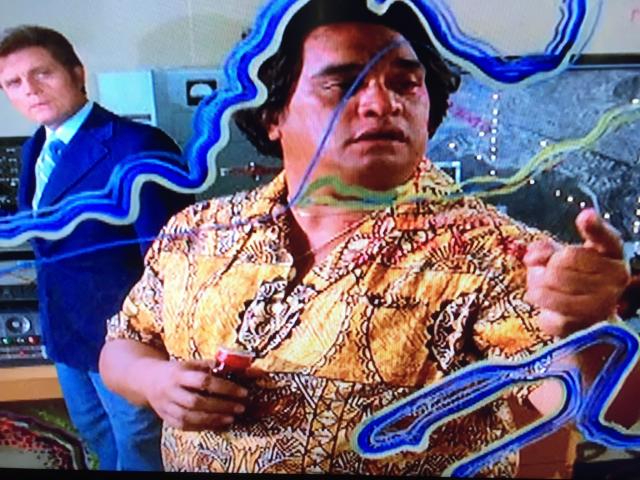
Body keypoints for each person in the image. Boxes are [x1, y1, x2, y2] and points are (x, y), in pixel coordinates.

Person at [99, 1, 636, 476]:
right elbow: (124, 343)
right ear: (272, 113)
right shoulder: (199, 230)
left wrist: (589, 329)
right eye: (343, 83)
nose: (383, 104)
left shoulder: (493, 253)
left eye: (406, 83)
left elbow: (608, 410)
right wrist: (154, 382)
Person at [0, 25, 194, 471]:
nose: (30, 89)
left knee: (139, 446)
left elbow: (169, 262)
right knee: (99, 437)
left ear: (76, 72)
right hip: (67, 335)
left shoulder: (137, 146)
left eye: (42, 73)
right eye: (14, 82)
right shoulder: (35, 149)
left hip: (127, 342)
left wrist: (160, 349)